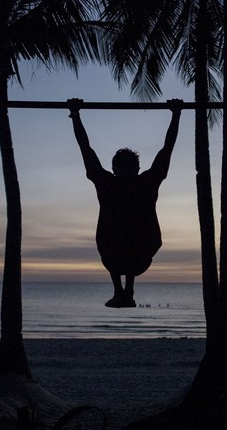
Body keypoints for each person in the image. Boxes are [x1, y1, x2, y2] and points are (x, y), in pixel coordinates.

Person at [69, 98, 182, 308]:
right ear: (137, 169)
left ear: (114, 169)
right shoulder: (147, 181)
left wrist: (75, 115)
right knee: (125, 238)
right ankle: (126, 291)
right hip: (141, 256)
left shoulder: (106, 182)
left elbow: (86, 148)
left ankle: (120, 291)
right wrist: (176, 114)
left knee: (118, 238)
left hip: (115, 255)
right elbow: (167, 147)